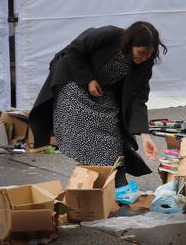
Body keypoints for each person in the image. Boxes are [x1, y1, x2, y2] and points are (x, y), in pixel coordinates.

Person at [29, 21, 167, 187]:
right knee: (87, 125)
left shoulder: (145, 62)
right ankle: (94, 176)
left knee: (111, 126)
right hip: (73, 78)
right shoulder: (108, 35)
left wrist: (145, 134)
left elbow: (139, 97)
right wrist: (88, 79)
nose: (143, 57)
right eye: (141, 52)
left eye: (148, 54)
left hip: (102, 86)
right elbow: (74, 50)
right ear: (130, 44)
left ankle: (114, 178)